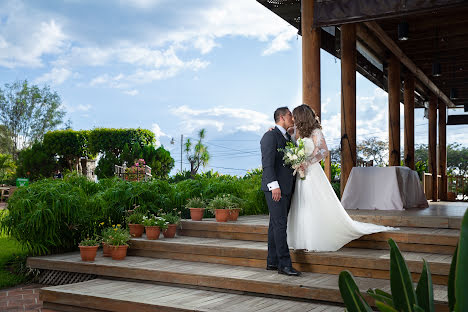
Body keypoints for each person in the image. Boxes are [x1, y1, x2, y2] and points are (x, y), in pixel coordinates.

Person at [287, 104, 397, 252]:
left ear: (301, 116)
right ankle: (302, 238)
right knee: (302, 204)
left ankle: (315, 238)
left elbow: (324, 151)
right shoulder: (298, 132)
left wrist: (307, 163)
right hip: (301, 174)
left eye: (295, 116)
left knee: (314, 202)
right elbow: (289, 141)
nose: (293, 119)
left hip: (312, 172)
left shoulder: (316, 131)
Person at [260, 107, 301, 276]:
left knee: (275, 225)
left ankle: (272, 261)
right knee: (280, 225)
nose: (293, 117)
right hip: (275, 188)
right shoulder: (270, 136)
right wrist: (274, 185)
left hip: (286, 188)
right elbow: (267, 164)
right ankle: (284, 265)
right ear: (282, 117)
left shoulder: (287, 137)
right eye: (290, 115)